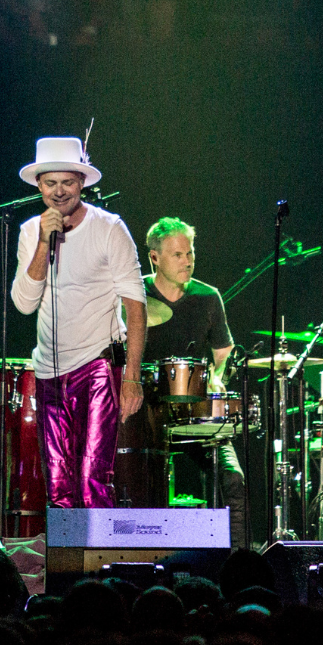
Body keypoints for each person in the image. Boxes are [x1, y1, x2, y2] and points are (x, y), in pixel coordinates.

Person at [8, 137, 146, 508]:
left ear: (82, 183)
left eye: (67, 182)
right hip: (50, 371)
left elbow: (136, 305)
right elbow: (23, 303)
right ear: (38, 185)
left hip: (99, 364)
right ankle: (68, 567)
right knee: (58, 487)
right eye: (50, 183)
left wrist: (132, 376)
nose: (59, 191)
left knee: (92, 480)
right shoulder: (28, 232)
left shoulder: (109, 227)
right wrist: (42, 243)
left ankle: (101, 565)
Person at [139, 217, 245, 545]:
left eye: (190, 252)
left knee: (233, 481)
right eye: (177, 255)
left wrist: (216, 376)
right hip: (147, 410)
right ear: (154, 257)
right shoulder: (134, 294)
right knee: (141, 486)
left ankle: (236, 563)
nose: (188, 260)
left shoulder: (208, 297)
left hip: (196, 409)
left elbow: (224, 350)